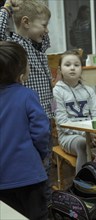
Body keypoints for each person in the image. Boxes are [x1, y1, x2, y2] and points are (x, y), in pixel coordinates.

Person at [0, 0, 54, 204]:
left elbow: (43, 37)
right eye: (44, 25)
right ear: (25, 22)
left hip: (44, 116)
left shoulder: (38, 46)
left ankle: (45, 200)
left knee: (46, 166)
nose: (47, 31)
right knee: (39, 163)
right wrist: (6, 9)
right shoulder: (16, 46)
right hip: (26, 120)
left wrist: (53, 114)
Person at [0, 41, 50, 220]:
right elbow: (41, 132)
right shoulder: (27, 95)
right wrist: (41, 154)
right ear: (22, 71)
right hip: (30, 175)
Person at [53, 50, 96, 174]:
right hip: (68, 136)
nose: (72, 68)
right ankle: (81, 185)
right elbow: (61, 122)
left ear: (81, 68)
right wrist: (85, 134)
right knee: (82, 144)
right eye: (68, 64)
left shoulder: (89, 90)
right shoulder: (55, 92)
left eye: (76, 65)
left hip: (91, 134)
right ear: (60, 69)